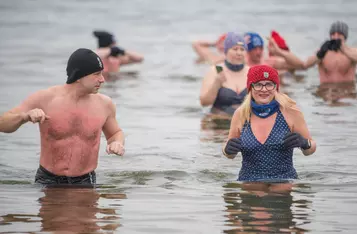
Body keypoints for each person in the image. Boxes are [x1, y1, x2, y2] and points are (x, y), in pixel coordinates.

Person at [0, 48, 125, 185]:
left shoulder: (104, 104)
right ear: (79, 76)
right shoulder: (45, 98)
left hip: (85, 181)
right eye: (97, 74)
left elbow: (115, 133)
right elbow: (2, 124)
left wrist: (117, 143)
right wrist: (25, 117)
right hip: (47, 179)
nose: (102, 79)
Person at [222, 65, 316, 191]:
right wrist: (227, 150)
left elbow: (310, 149)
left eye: (269, 84)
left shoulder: (290, 111)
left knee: (281, 191)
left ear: (276, 87)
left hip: (283, 182)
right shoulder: (241, 114)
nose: (264, 89)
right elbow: (229, 154)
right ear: (250, 87)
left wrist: (305, 144)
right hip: (250, 184)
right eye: (259, 84)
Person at [199, 32, 249, 117]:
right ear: (226, 51)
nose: (239, 53)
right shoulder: (216, 70)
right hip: (219, 123)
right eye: (235, 49)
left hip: (244, 123)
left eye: (242, 49)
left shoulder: (251, 71)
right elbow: (204, 103)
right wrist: (217, 83)